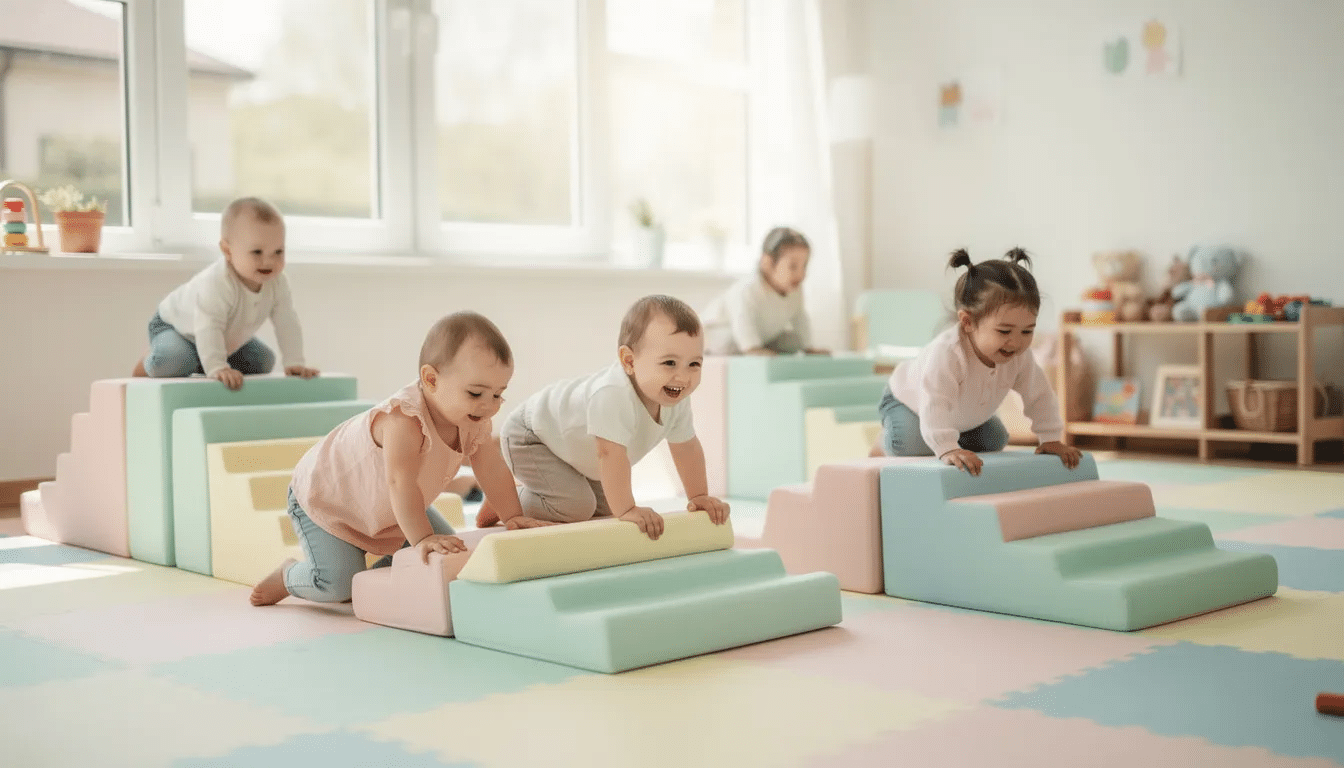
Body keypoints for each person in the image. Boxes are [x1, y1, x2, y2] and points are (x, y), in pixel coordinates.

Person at [250, 311, 534, 607]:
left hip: (387, 507)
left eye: (499, 394)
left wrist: (512, 515)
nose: (489, 406)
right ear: (431, 379)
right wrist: (422, 538)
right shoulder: (404, 420)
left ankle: (372, 584)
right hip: (328, 502)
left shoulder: (472, 420)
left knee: (448, 558)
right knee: (338, 584)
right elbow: (400, 482)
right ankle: (288, 576)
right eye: (476, 393)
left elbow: (491, 468)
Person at [475, 295, 730, 540]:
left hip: (573, 453)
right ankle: (505, 498)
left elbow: (687, 449)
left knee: (607, 506)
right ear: (629, 361)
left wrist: (697, 496)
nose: (683, 377)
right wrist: (628, 509)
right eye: (669, 363)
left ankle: (522, 492)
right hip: (532, 435)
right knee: (577, 508)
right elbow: (609, 454)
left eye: (694, 364)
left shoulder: (676, 399)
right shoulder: (613, 394)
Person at [878, 248, 1082, 476]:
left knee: (995, 440)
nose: (1016, 342)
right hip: (910, 403)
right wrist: (947, 448)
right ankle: (880, 445)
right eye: (1004, 331)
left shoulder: (1019, 356)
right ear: (967, 322)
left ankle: (950, 436)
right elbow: (935, 400)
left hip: (962, 417)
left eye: (1027, 331)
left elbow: (1040, 395)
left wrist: (1051, 438)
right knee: (909, 444)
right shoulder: (948, 354)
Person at [132, 196, 318, 390]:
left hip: (222, 336)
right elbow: (208, 324)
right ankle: (150, 360)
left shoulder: (277, 283)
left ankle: (203, 357)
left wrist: (294, 362)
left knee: (262, 362)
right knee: (171, 362)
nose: (269, 261)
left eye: (278, 252)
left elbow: (287, 322)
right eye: (257, 252)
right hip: (177, 328)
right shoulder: (218, 282)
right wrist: (217, 367)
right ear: (227, 251)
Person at [701, 227, 828, 356]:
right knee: (729, 342)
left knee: (794, 341)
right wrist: (752, 348)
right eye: (793, 266)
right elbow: (743, 320)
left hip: (760, 335)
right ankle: (751, 347)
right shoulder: (748, 289)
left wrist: (809, 347)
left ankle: (756, 346)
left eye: (804, 266)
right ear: (767, 263)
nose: (801, 274)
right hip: (719, 330)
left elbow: (800, 318)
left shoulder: (794, 289)